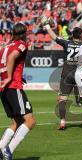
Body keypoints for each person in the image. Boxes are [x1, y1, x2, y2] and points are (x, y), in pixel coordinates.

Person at [40, 15, 82, 130]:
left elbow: (54, 37)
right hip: (79, 74)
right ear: (80, 36)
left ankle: (62, 121)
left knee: (63, 99)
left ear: (72, 35)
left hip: (67, 73)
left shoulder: (66, 42)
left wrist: (47, 26)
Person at [0, 23, 36, 160]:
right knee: (30, 121)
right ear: (24, 34)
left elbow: (5, 61)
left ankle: (1, 148)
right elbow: (12, 58)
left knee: (17, 122)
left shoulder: (5, 47)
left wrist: (8, 77)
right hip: (13, 87)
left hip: (4, 88)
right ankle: (8, 151)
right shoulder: (21, 44)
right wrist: (10, 77)